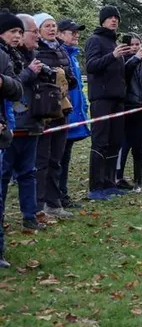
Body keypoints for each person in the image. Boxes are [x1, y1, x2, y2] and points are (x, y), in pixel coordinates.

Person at [2, 14, 48, 230]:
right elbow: (12, 87)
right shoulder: (8, 57)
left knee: (29, 172)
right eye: (33, 32)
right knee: (4, 175)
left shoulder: (32, 56)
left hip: (32, 123)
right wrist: (30, 73)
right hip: (13, 125)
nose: (36, 36)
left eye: (23, 32)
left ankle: (30, 216)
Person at [84, 6, 132, 200]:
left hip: (118, 99)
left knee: (115, 142)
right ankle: (96, 186)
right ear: (102, 20)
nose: (114, 20)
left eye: (116, 18)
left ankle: (109, 182)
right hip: (101, 99)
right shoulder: (94, 40)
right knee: (100, 142)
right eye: (110, 18)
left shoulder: (115, 43)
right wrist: (112, 56)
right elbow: (91, 66)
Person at [32, 14, 76, 219]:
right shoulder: (35, 49)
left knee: (56, 159)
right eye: (46, 26)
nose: (51, 29)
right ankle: (37, 205)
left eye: (53, 25)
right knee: (41, 160)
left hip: (61, 108)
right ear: (38, 30)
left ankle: (54, 202)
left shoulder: (60, 48)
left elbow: (69, 75)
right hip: (43, 110)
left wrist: (68, 80)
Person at [0, 11, 29, 268]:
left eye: (20, 32)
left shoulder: (5, 57)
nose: (17, 36)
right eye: (13, 32)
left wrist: (2, 81)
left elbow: (17, 88)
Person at [116, 33, 142, 191]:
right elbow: (123, 76)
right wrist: (135, 59)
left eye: (138, 44)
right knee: (123, 145)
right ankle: (118, 177)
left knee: (140, 145)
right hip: (125, 106)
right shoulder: (121, 60)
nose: (135, 47)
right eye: (132, 44)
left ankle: (139, 180)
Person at [57, 19, 89, 207]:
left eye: (77, 32)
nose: (76, 35)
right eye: (71, 32)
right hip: (60, 114)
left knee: (65, 156)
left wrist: (82, 108)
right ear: (60, 34)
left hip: (73, 112)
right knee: (57, 158)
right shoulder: (61, 55)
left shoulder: (73, 56)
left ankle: (62, 194)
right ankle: (54, 197)